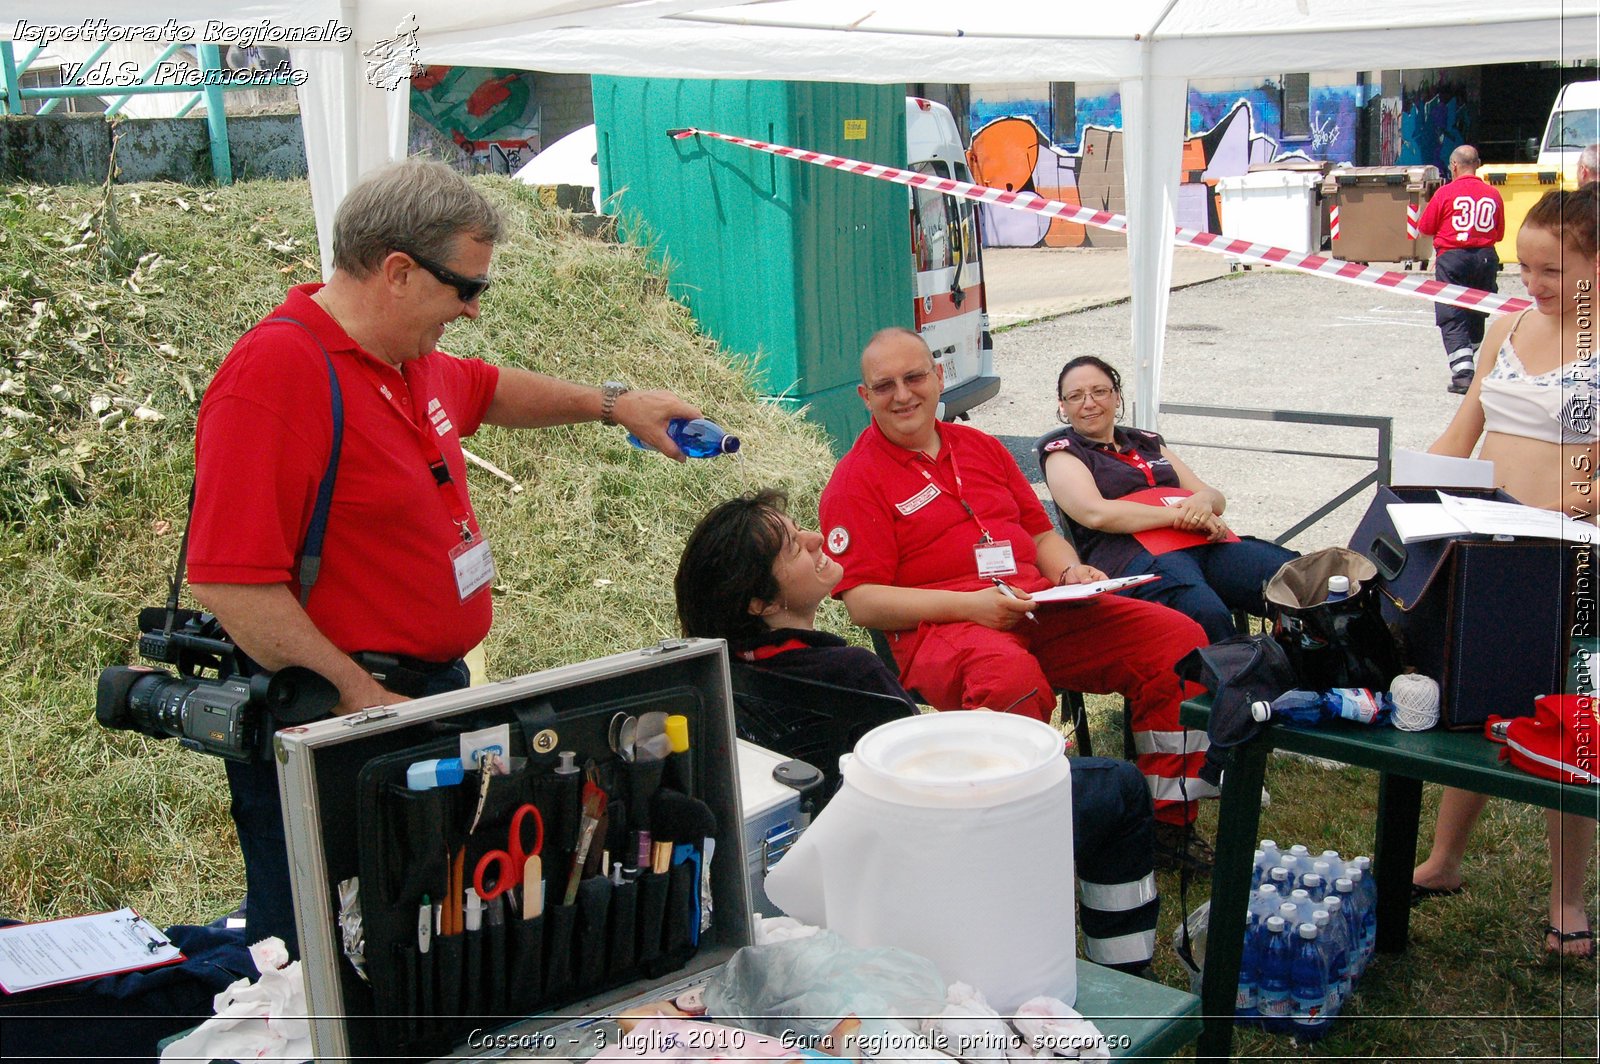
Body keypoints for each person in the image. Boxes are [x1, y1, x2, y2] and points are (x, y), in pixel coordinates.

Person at [184, 159, 699, 954]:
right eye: (466, 289)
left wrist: (613, 405)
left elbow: (489, 390)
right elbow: (230, 580)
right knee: (333, 956)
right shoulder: (276, 375)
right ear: (396, 270)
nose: (471, 311)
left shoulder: (404, 355)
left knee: (429, 939)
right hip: (340, 716)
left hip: (416, 701)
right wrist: (359, 696)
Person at [675, 488, 1164, 972]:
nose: (817, 538)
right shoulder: (850, 675)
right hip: (927, 867)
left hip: (826, 872)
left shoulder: (708, 680)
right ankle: (1125, 974)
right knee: (1117, 787)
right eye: (795, 547)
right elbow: (923, 797)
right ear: (760, 602)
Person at [818, 327, 1215, 863]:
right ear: (865, 397)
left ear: (939, 378)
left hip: (1037, 607)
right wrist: (974, 607)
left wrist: (1072, 573)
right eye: (884, 385)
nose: (903, 394)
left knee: (1177, 641)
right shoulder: (855, 479)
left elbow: (1042, 534)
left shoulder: (980, 447)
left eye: (914, 377)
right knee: (1011, 684)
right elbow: (863, 601)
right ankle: (1009, 843)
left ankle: (1167, 822)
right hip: (944, 629)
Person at [1411, 185, 1599, 959]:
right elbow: (1463, 431)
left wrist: (1571, 504)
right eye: (1524, 268)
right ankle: (1445, 859)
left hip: (1579, 555)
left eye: (1552, 270)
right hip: (1492, 545)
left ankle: (1568, 899)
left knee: (1570, 725)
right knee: (1479, 698)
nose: (1533, 285)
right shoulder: (1506, 326)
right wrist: (1410, 496)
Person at [1040, 356, 1298, 643]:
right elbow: (1095, 513)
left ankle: (1314, 677)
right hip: (1135, 556)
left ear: (1117, 396)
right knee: (1202, 612)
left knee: (1293, 578)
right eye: (1075, 396)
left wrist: (1202, 503)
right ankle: (1235, 684)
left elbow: (1213, 496)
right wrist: (1179, 515)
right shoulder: (1063, 453)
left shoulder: (1145, 442)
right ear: (1062, 405)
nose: (1089, 403)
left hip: (1199, 542)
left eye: (1099, 391)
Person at [1416, 144, 1506, 395]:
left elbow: (1425, 227)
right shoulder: (1493, 195)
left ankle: (1463, 374)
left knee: (1451, 314)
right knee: (1478, 312)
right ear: (1477, 164)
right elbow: (1498, 233)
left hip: (1452, 259)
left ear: (1454, 166)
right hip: (1486, 259)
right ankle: (1467, 359)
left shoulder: (1445, 193)